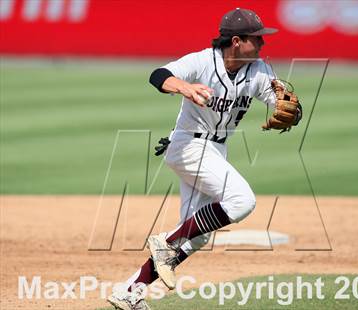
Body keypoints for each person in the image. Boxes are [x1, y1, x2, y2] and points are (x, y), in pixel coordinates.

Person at [107, 8, 301, 310]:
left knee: (196, 237)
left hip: (215, 151)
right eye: (256, 38)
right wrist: (184, 87)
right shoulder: (202, 61)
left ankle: (129, 291)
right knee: (241, 201)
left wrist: (291, 111)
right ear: (236, 41)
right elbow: (158, 75)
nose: (263, 43)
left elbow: (283, 102)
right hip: (188, 146)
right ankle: (167, 242)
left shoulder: (259, 70)